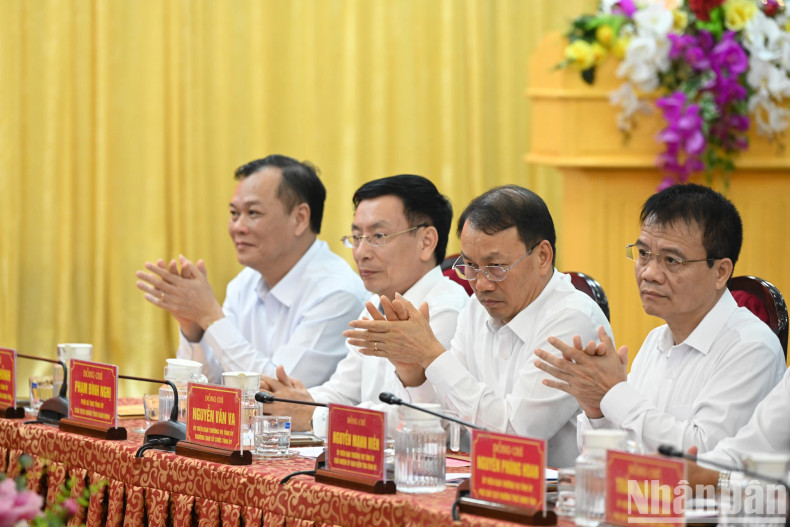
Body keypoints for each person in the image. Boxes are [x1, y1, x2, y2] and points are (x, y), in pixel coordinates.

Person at [345, 185, 613, 467]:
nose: (481, 284)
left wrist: (432, 356)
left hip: (554, 500)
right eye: (470, 265)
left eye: (496, 266)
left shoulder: (572, 319)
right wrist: (413, 375)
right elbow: (448, 432)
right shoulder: (476, 309)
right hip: (479, 486)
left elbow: (515, 437)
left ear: (543, 256)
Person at [535, 183, 785, 454]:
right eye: (643, 254)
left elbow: (704, 459)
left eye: (672, 260)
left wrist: (615, 392)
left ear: (721, 272)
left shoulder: (751, 349)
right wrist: (598, 409)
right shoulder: (656, 341)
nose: (649, 273)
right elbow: (614, 457)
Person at [258, 175, 470, 435]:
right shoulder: (376, 304)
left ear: (426, 242)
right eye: (356, 237)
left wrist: (314, 417)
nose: (361, 252)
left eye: (378, 236)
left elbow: (427, 419)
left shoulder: (447, 308)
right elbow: (342, 391)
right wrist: (286, 401)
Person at [135, 155, 368, 386]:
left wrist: (210, 317)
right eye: (234, 214)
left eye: (253, 213)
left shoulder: (338, 293)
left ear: (300, 218)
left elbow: (279, 394)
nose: (237, 227)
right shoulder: (244, 283)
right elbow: (206, 389)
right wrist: (193, 328)